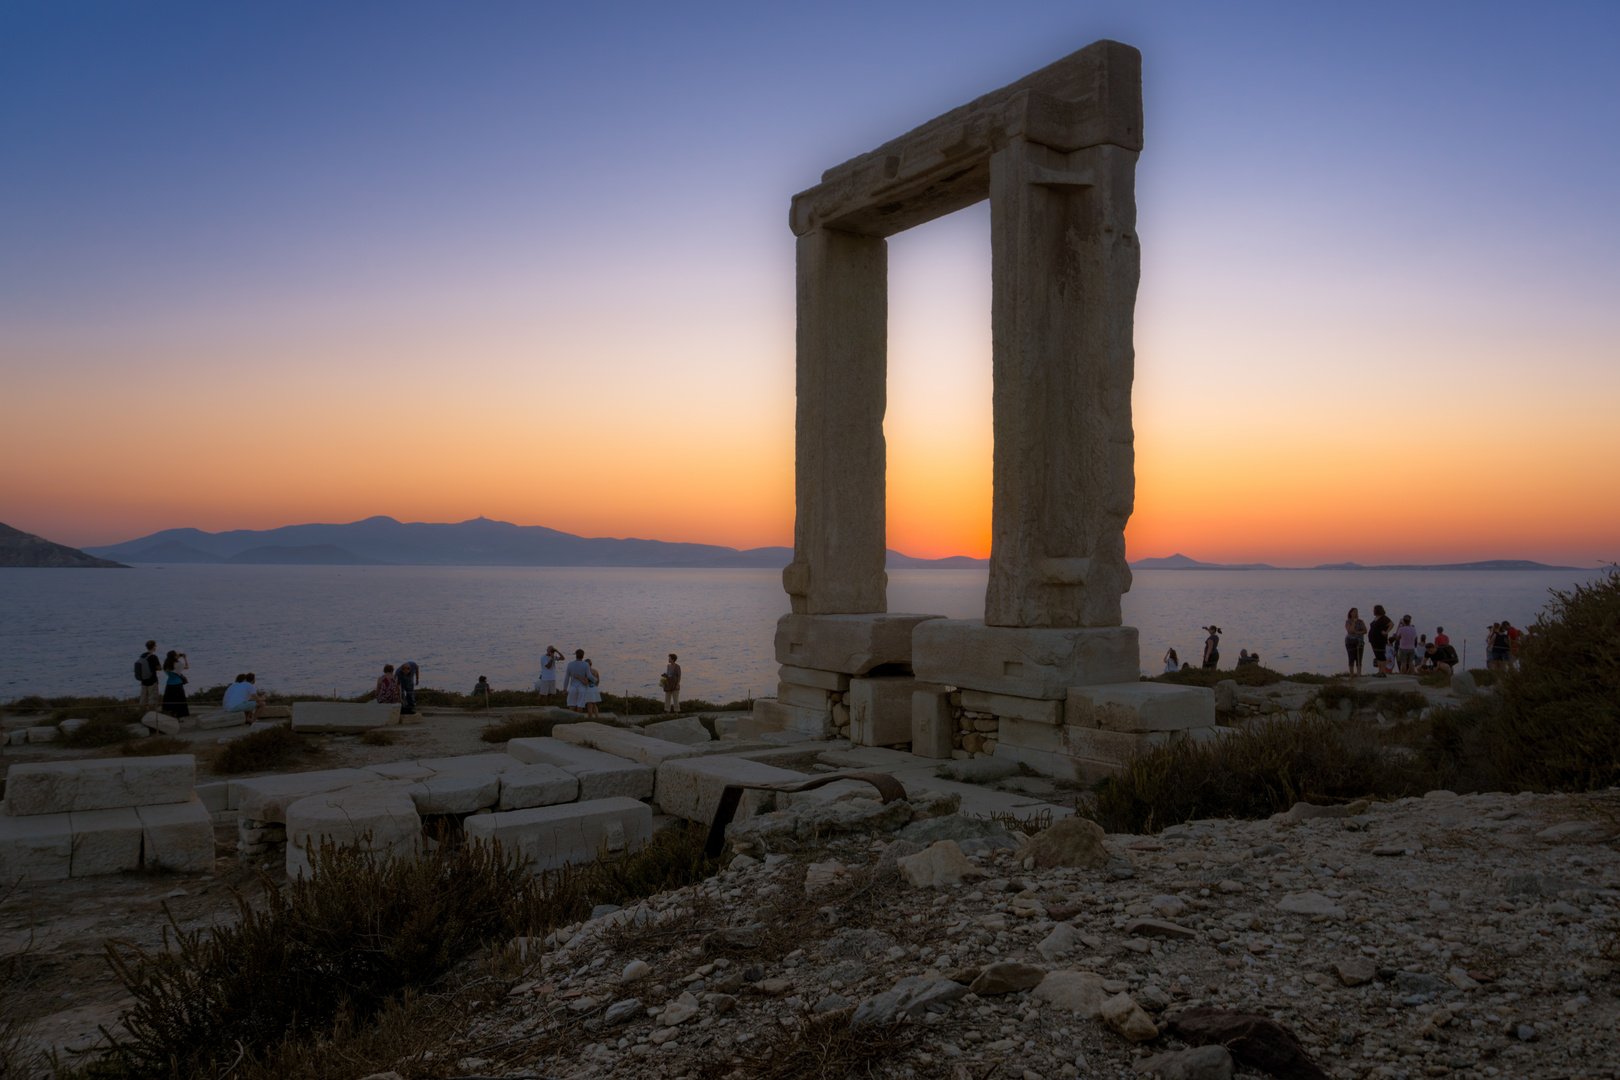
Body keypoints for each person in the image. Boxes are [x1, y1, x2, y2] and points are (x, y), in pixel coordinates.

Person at [160, 650, 190, 717]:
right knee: (179, 701)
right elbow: (187, 666)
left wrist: (177, 656)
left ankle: (170, 714)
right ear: (175, 657)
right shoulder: (179, 664)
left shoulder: (166, 665)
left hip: (169, 684)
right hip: (177, 684)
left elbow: (172, 663)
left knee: (169, 701)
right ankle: (179, 715)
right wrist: (185, 658)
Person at [135, 639, 162, 710]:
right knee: (152, 697)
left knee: (143, 697)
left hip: (143, 680)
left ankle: (142, 711)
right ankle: (151, 712)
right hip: (152, 680)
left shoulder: (142, 656)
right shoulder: (153, 657)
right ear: (153, 647)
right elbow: (159, 668)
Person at [1368, 605, 1394, 678]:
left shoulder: (1384, 618)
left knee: (1381, 655)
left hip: (1380, 640)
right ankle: (1380, 671)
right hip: (1374, 640)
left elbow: (1391, 624)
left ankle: (1383, 671)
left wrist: (1386, 632)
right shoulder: (1376, 618)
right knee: (1377, 656)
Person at [1344, 608, 1367, 676]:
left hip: (1359, 641)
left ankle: (1359, 674)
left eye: (1357, 612)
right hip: (1350, 642)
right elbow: (1350, 631)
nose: (1356, 613)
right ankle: (1351, 675)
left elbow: (1365, 630)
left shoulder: (1361, 621)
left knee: (1359, 658)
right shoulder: (1348, 621)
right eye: (1354, 612)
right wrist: (1354, 622)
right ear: (1351, 613)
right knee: (1351, 657)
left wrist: (1357, 632)